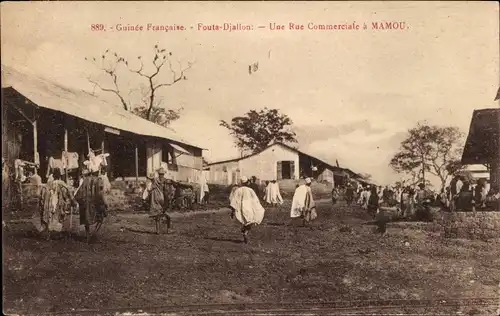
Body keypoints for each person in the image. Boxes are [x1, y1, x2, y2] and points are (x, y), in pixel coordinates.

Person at [38, 169, 78, 239]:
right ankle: (55, 232)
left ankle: (50, 232)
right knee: (57, 216)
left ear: (53, 176)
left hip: (49, 202)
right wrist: (74, 202)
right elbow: (68, 194)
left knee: (50, 216)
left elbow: (42, 195)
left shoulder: (48, 184)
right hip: (58, 203)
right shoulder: (62, 184)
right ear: (60, 176)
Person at [75, 165, 108, 243]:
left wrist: (79, 201)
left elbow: (79, 192)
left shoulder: (85, 180)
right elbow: (100, 193)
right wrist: (105, 203)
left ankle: (87, 235)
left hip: (86, 202)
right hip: (95, 203)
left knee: (86, 219)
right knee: (102, 216)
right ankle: (94, 233)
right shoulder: (98, 180)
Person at [229, 176, 266, 244]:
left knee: (243, 220)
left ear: (241, 183)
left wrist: (232, 211)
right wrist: (257, 207)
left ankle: (244, 231)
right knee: (250, 221)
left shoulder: (238, 190)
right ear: (247, 182)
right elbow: (255, 200)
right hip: (249, 207)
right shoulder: (250, 190)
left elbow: (234, 201)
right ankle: (245, 232)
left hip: (241, 208)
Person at [147, 167, 174, 234]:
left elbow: (150, 187)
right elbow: (169, 190)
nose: (161, 175)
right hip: (162, 199)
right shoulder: (165, 181)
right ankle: (168, 229)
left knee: (158, 216)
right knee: (166, 216)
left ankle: (158, 231)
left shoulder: (155, 180)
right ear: (163, 174)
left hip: (156, 199)